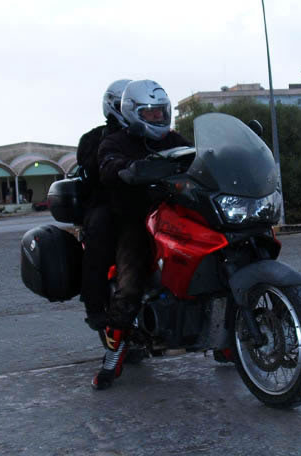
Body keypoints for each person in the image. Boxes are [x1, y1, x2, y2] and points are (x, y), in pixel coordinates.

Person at [92, 79, 190, 390]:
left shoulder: (174, 138)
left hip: (178, 213)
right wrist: (126, 169)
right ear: (134, 114)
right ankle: (114, 354)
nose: (158, 119)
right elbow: (107, 166)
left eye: (161, 113)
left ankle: (228, 341)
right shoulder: (115, 142)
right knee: (131, 280)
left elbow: (200, 157)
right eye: (150, 115)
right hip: (137, 219)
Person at [76, 79, 132, 331]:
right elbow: (92, 168)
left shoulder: (153, 134)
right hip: (108, 203)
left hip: (150, 201)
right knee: (101, 232)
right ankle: (96, 305)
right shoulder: (94, 138)